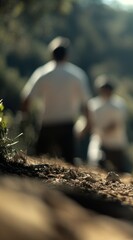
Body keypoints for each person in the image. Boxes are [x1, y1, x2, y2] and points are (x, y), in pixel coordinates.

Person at [20, 36, 92, 164]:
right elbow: (86, 103)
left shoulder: (42, 72)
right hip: (67, 124)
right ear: (67, 55)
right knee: (69, 163)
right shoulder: (77, 75)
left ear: (51, 54)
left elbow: (27, 98)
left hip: (46, 123)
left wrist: (25, 120)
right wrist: (87, 123)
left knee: (39, 161)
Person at [87, 75, 132, 173]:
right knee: (96, 164)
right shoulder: (93, 104)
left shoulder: (119, 104)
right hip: (99, 141)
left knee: (120, 169)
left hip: (116, 143)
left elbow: (116, 123)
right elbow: (88, 121)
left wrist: (101, 130)